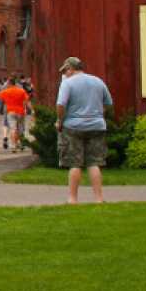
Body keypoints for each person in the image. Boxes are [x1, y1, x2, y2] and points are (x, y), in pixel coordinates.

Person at [55, 56, 113, 204]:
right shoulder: (98, 81)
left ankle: (72, 199)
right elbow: (108, 103)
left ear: (70, 69)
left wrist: (60, 121)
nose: (64, 74)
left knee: (75, 164)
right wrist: (99, 114)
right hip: (97, 125)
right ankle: (99, 199)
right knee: (94, 163)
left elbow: (61, 105)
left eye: (65, 70)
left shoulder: (67, 84)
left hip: (73, 126)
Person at [0, 76, 30, 152]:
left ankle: (13, 146)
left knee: (13, 129)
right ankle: (21, 144)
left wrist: (6, 100)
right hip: (21, 112)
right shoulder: (21, 91)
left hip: (11, 111)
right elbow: (26, 100)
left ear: (9, 83)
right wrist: (30, 110)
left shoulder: (7, 91)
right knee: (21, 129)